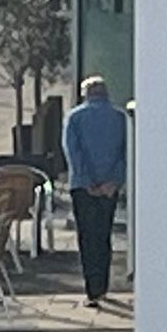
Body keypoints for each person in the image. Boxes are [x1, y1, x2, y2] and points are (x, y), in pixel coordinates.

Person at [60, 76, 128, 308]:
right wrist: (114, 181)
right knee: (103, 235)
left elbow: (73, 152)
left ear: (85, 93)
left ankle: (93, 290)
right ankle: (104, 284)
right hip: (110, 186)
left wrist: (87, 181)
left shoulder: (75, 117)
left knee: (87, 237)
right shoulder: (120, 118)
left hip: (83, 186)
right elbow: (125, 153)